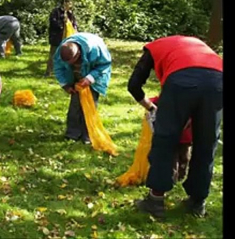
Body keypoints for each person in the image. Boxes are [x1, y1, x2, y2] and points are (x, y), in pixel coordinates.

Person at [127, 35, 222, 218]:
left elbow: (134, 85)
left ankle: (155, 201)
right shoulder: (197, 44)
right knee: (206, 142)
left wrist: (151, 107)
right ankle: (197, 201)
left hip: (181, 82)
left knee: (165, 138)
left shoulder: (154, 48)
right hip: (218, 81)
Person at [53, 33, 112, 144]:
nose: (71, 64)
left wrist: (90, 78)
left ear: (78, 53)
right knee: (75, 106)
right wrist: (65, 85)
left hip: (94, 76)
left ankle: (87, 135)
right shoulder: (61, 51)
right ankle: (72, 134)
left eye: (73, 61)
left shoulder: (95, 49)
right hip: (75, 77)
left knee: (89, 106)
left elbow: (104, 65)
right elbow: (58, 67)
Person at [46, 0, 78, 76]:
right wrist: (62, 23)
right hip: (57, 37)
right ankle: (48, 72)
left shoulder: (70, 13)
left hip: (68, 37)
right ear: (64, 3)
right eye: (68, 3)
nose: (70, 5)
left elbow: (74, 24)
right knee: (53, 54)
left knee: (68, 55)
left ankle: (66, 72)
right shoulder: (55, 12)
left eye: (71, 3)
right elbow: (53, 23)